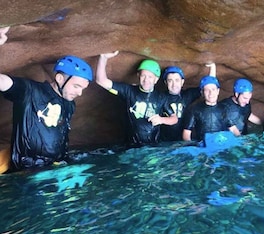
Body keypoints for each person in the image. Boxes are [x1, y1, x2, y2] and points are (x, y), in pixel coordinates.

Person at [0, 26, 93, 171]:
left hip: (56, 167)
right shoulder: (30, 91)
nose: (80, 93)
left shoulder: (69, 105)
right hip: (27, 170)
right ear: (60, 78)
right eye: (76, 86)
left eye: (82, 88)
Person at [96, 51, 177, 147]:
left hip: (153, 147)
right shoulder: (129, 91)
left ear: (156, 79)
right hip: (131, 147)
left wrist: (162, 120)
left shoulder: (161, 97)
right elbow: (101, 81)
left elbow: (174, 119)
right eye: (143, 76)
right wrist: (103, 58)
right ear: (138, 76)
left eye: (150, 77)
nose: (146, 80)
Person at [160, 63, 216, 141]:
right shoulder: (160, 97)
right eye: (170, 81)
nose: (174, 84)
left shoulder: (187, 95)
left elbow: (209, 86)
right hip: (165, 141)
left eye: (177, 80)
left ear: (182, 82)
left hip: (184, 139)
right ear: (166, 82)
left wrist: (213, 68)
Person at [182, 76, 231, 142]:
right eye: (207, 90)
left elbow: (233, 128)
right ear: (202, 93)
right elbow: (186, 132)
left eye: (213, 89)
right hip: (202, 145)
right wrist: (191, 145)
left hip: (220, 144)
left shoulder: (224, 108)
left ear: (218, 91)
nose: (211, 93)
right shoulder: (195, 109)